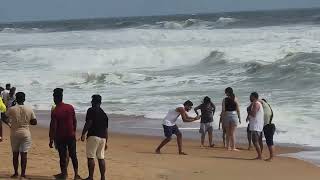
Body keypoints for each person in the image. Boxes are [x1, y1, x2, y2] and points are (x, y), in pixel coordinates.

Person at [49, 88, 81, 180]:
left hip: (60, 137)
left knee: (62, 156)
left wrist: (51, 139)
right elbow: (74, 121)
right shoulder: (70, 107)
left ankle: (64, 175)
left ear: (55, 98)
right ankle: (76, 175)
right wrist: (73, 131)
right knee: (73, 155)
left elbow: (53, 127)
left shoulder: (55, 111)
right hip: (71, 135)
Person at [3, 92, 37, 179]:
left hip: (14, 133)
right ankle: (23, 174)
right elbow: (34, 122)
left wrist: (9, 124)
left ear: (16, 99)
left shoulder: (12, 109)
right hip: (26, 133)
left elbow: (3, 117)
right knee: (24, 154)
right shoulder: (29, 109)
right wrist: (27, 121)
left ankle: (15, 173)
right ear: (24, 99)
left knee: (15, 154)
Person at [81, 94, 109, 180]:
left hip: (93, 136)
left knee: (91, 157)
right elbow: (106, 130)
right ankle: (103, 177)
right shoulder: (104, 114)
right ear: (100, 103)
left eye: (92, 101)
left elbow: (89, 122)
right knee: (101, 158)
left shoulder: (91, 110)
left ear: (93, 102)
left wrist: (83, 133)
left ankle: (90, 177)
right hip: (103, 138)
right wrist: (106, 142)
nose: (91, 102)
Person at [248, 92, 264, 160]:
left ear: (254, 97)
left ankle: (260, 156)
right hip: (258, 125)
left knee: (255, 141)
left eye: (251, 96)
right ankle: (260, 155)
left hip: (256, 126)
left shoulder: (256, 104)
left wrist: (248, 111)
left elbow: (254, 114)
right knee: (258, 141)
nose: (249, 98)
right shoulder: (257, 103)